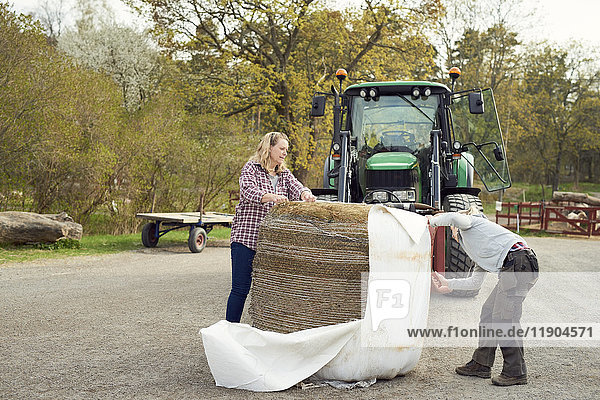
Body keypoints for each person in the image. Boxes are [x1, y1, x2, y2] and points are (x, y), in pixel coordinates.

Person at [428, 206, 539, 386]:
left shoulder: (473, 223)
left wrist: (431, 221)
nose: (452, 232)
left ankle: (515, 372)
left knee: (504, 317)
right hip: (514, 266)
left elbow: (456, 219)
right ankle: (482, 364)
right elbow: (474, 283)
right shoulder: (477, 248)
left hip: (519, 263)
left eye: (451, 229)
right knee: (489, 312)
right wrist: (449, 284)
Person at [226, 132, 316, 323]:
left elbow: (298, 187)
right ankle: (229, 331)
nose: (285, 153)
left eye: (287, 150)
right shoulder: (251, 168)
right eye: (282, 149)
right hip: (246, 239)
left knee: (271, 289)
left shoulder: (284, 174)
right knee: (240, 288)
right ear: (270, 148)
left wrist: (306, 193)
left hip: (271, 244)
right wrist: (272, 196)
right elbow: (248, 191)